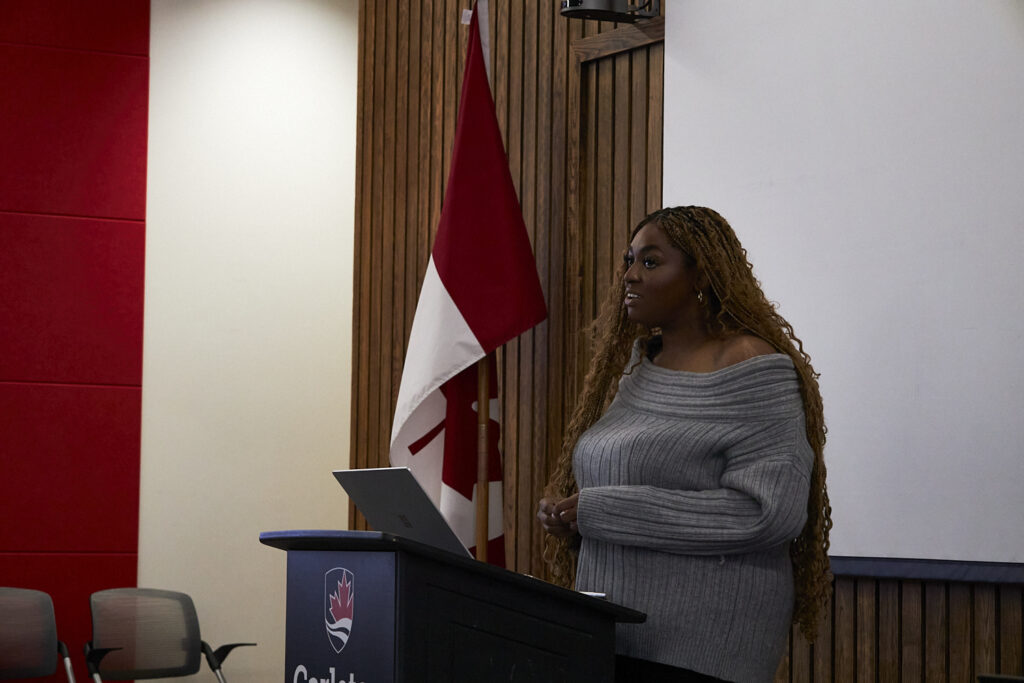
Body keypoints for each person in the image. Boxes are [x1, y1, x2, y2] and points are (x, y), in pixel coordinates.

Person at [538, 206, 832, 683]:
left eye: (651, 262)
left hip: (704, 647)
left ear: (701, 275)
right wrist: (571, 518)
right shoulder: (640, 366)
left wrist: (603, 511)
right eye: (629, 260)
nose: (630, 275)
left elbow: (768, 513)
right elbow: (624, 489)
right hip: (612, 635)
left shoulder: (751, 365)